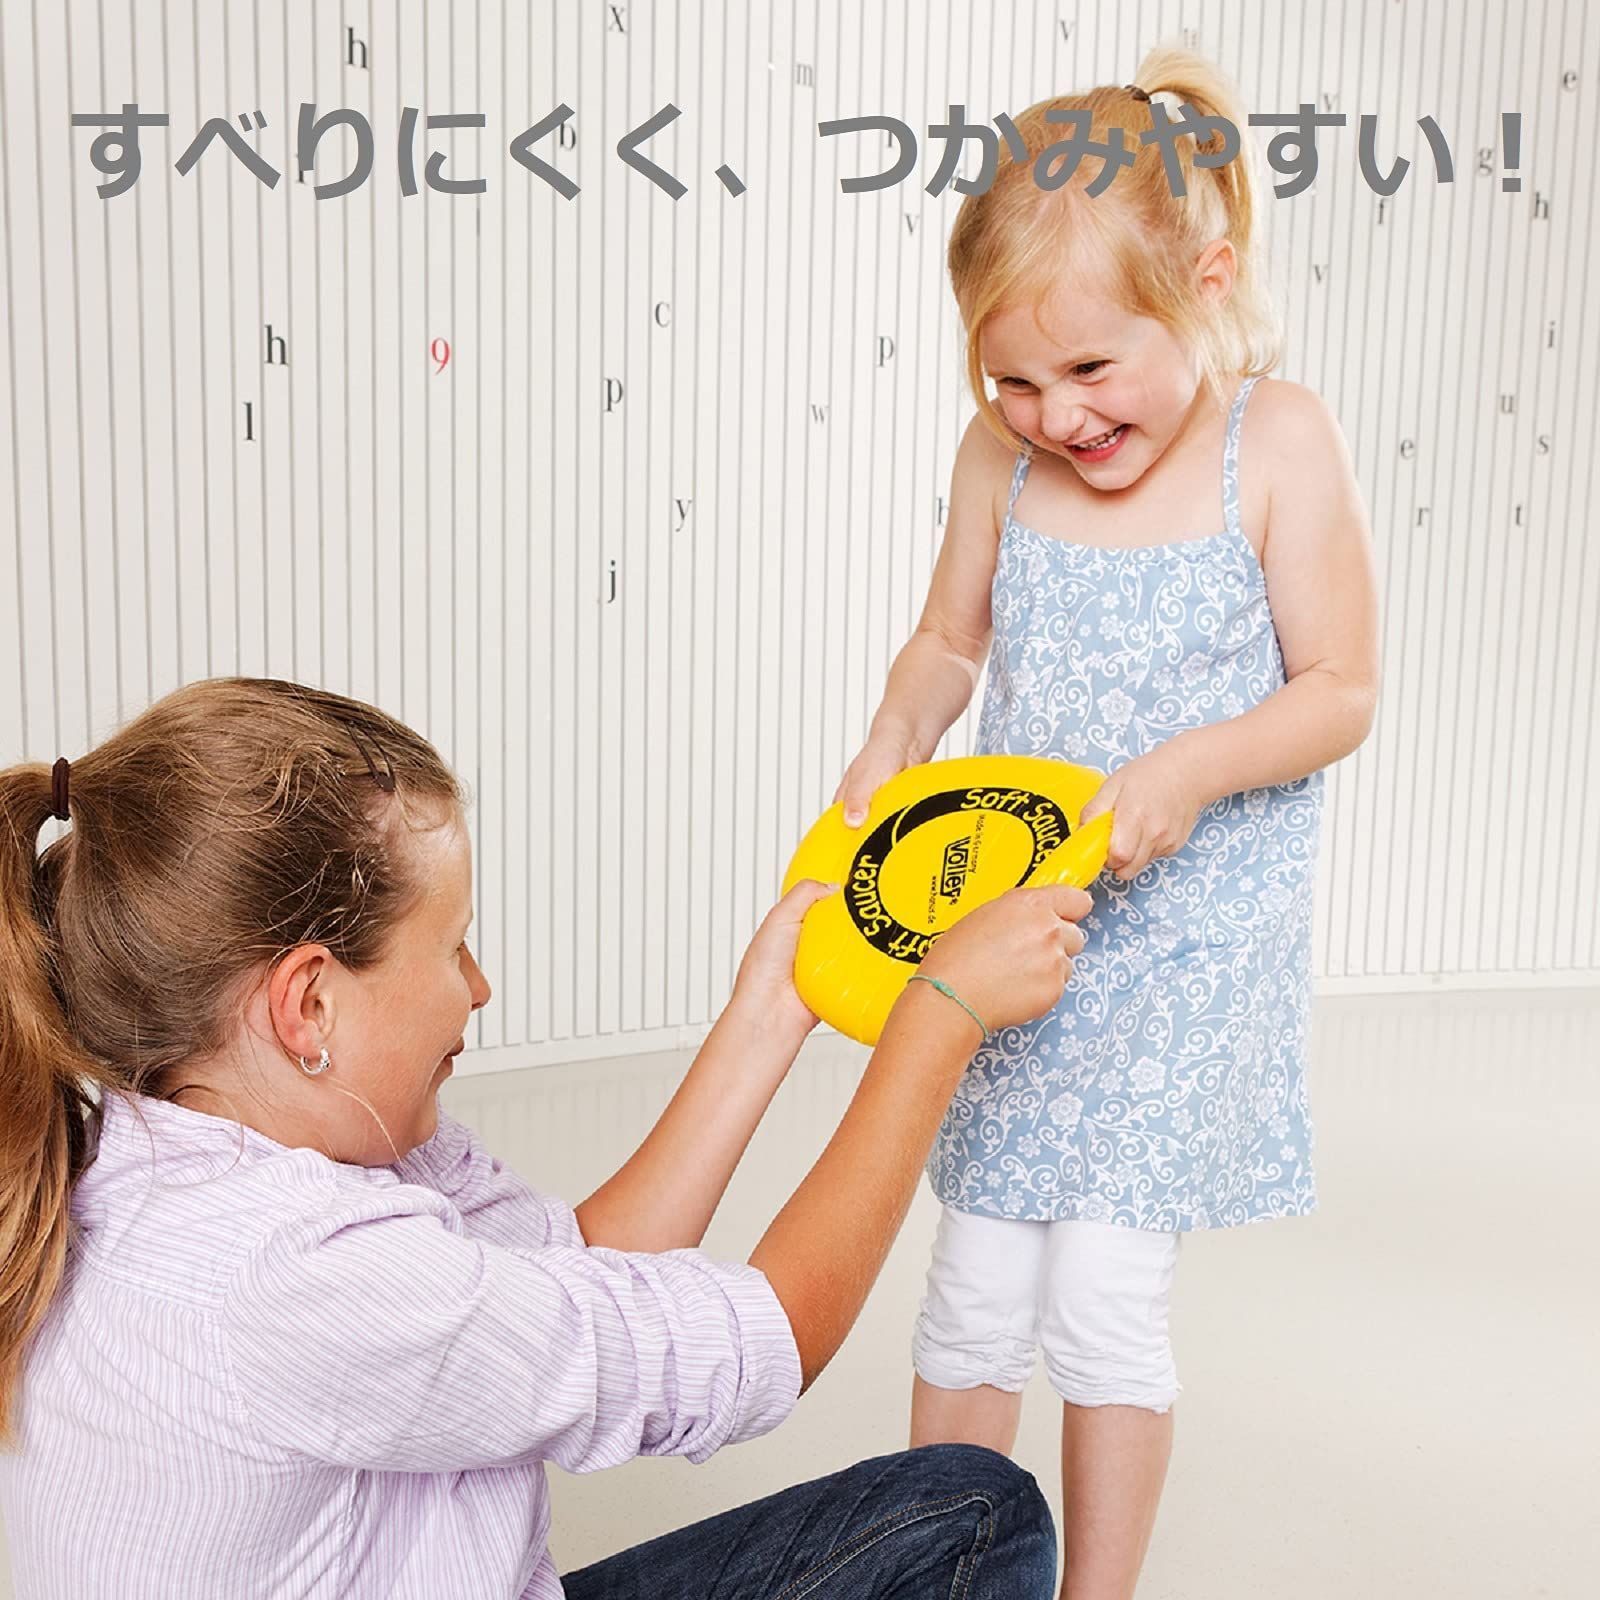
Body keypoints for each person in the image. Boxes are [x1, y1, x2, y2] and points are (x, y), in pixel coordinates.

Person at [0, 675, 1093, 1599]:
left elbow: (577, 1265)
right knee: (974, 1518)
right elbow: (772, 1338)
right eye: (453, 946)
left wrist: (770, 1009)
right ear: (310, 1005)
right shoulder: (298, 1277)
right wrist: (938, 1016)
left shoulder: (168, 1154)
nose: (479, 987)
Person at [831, 46, 1381, 1600]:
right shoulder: (1002, 459)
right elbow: (949, 641)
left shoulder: (1275, 443)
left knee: (1103, 1298)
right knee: (974, 1284)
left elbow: (1341, 688)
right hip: (1027, 941)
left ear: (1205, 287)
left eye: (1090, 369)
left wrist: (1193, 766)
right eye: (1013, 379)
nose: (1055, 414)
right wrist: (894, 736)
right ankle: (941, 1572)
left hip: (1186, 952)